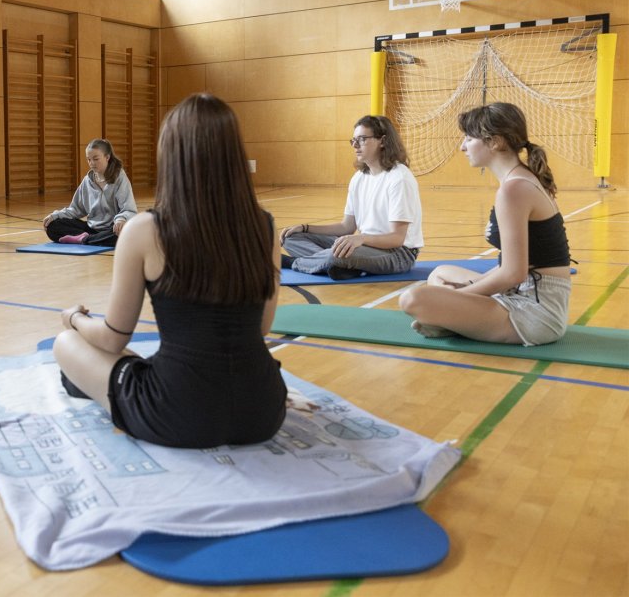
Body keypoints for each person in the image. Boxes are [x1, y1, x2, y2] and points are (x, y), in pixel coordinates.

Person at [52, 93, 287, 449]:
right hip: (263, 408)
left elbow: (114, 338)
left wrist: (74, 320)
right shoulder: (265, 227)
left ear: (172, 155)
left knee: (67, 344)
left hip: (179, 412)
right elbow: (262, 327)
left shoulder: (145, 230)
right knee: (147, 362)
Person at [400, 102, 571, 345]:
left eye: (469, 139)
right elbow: (512, 266)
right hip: (522, 293)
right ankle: (451, 320)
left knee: (413, 299)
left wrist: (457, 296)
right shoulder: (518, 180)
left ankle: (448, 319)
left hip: (533, 313)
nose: (462, 147)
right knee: (440, 273)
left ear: (495, 142)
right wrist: (458, 293)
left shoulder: (514, 189)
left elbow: (513, 273)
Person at [280, 115, 423, 280]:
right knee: (290, 238)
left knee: (336, 255)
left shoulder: (399, 178)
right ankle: (343, 265)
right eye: (353, 140)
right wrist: (305, 228)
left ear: (382, 141)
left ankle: (295, 263)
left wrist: (360, 239)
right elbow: (347, 227)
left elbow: (396, 239)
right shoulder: (359, 178)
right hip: (365, 245)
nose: (355, 145)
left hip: (398, 254)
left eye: (362, 139)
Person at [43, 139, 137, 247]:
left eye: (96, 159)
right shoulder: (87, 180)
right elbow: (75, 209)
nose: (91, 163)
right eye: (88, 159)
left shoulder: (120, 178)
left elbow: (129, 209)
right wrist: (55, 215)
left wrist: (121, 219)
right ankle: (88, 239)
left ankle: (83, 239)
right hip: (91, 229)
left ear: (107, 157)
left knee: (123, 234)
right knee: (52, 227)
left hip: (112, 229)